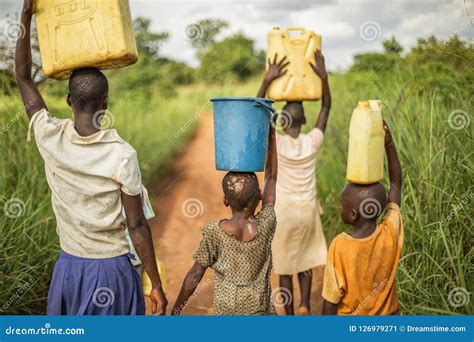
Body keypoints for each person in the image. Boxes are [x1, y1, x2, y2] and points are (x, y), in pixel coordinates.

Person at [15, 0, 167, 315]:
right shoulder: (122, 155)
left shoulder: (50, 136)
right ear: (106, 102)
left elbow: (24, 78)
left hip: (68, 268)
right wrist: (156, 284)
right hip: (112, 271)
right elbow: (137, 226)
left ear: (69, 100)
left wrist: (26, 15)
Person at [171, 112, 278, 315]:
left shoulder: (214, 233)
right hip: (261, 311)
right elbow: (271, 178)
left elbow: (195, 275)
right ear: (260, 197)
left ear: (225, 200)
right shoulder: (267, 223)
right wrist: (271, 133)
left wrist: (175, 312)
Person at [256, 51, 331, 315]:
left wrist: (267, 79)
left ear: (280, 122)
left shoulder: (277, 143)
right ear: (304, 121)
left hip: (284, 212)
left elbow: (258, 109)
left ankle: (289, 315)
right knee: (307, 261)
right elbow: (325, 108)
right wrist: (323, 77)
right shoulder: (312, 142)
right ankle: (304, 305)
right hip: (309, 210)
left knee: (285, 265)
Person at [322, 122, 403, 315]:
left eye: (343, 205)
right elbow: (396, 184)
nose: (340, 208)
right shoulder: (390, 230)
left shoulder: (339, 247)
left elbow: (330, 300)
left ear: (352, 214)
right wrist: (389, 144)